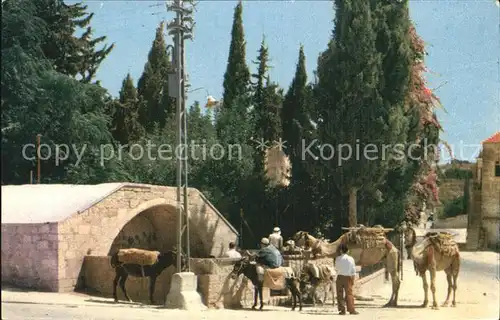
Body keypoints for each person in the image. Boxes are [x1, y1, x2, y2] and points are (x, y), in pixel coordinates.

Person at [334, 243, 359, 315]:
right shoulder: (351, 259)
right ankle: (351, 310)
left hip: (339, 277)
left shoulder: (337, 259)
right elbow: (353, 270)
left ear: (341, 250)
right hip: (348, 277)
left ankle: (342, 310)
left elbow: (336, 269)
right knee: (349, 294)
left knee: (339, 294)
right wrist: (353, 279)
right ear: (347, 251)